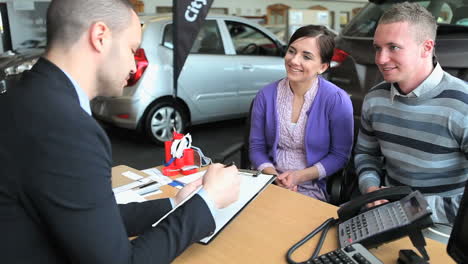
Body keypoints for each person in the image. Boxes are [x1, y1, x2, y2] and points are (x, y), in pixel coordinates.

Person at [0, 0, 240, 263]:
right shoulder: (64, 126)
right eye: (132, 49)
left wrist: (173, 204)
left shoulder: (26, 99)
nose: (134, 65)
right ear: (100, 37)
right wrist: (208, 202)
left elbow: (87, 214)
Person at [355, 2, 468, 224]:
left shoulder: (463, 105)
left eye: (393, 47)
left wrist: (411, 208)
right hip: (385, 212)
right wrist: (371, 189)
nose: (380, 59)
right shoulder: (375, 99)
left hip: (443, 222)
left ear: (426, 47)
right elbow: (366, 155)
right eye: (377, 48)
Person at [249, 25, 354, 202]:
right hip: (267, 179)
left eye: (306, 56)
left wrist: (298, 177)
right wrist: (274, 177)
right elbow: (256, 148)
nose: (294, 60)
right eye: (291, 51)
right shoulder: (265, 95)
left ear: (322, 66)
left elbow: (339, 156)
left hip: (311, 184)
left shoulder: (337, 100)